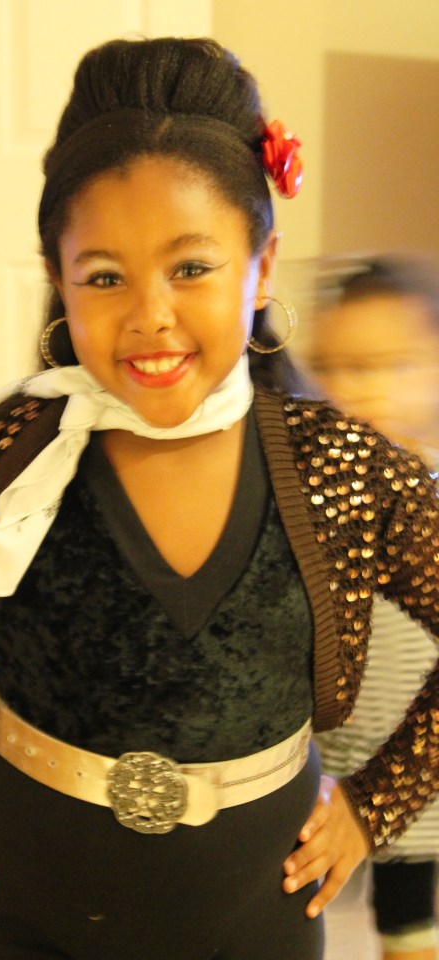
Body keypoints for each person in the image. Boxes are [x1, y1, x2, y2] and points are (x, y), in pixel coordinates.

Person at [0, 36, 439, 960]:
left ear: (262, 262)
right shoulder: (4, 458)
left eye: (192, 268)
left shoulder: (340, 467)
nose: (149, 315)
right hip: (28, 914)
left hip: (258, 918)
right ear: (57, 276)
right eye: (104, 276)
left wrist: (376, 804)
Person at [306, 255, 439, 960]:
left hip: (420, 776)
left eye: (387, 366)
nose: (359, 391)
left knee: (410, 924)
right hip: (335, 768)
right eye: (336, 369)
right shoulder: (320, 501)